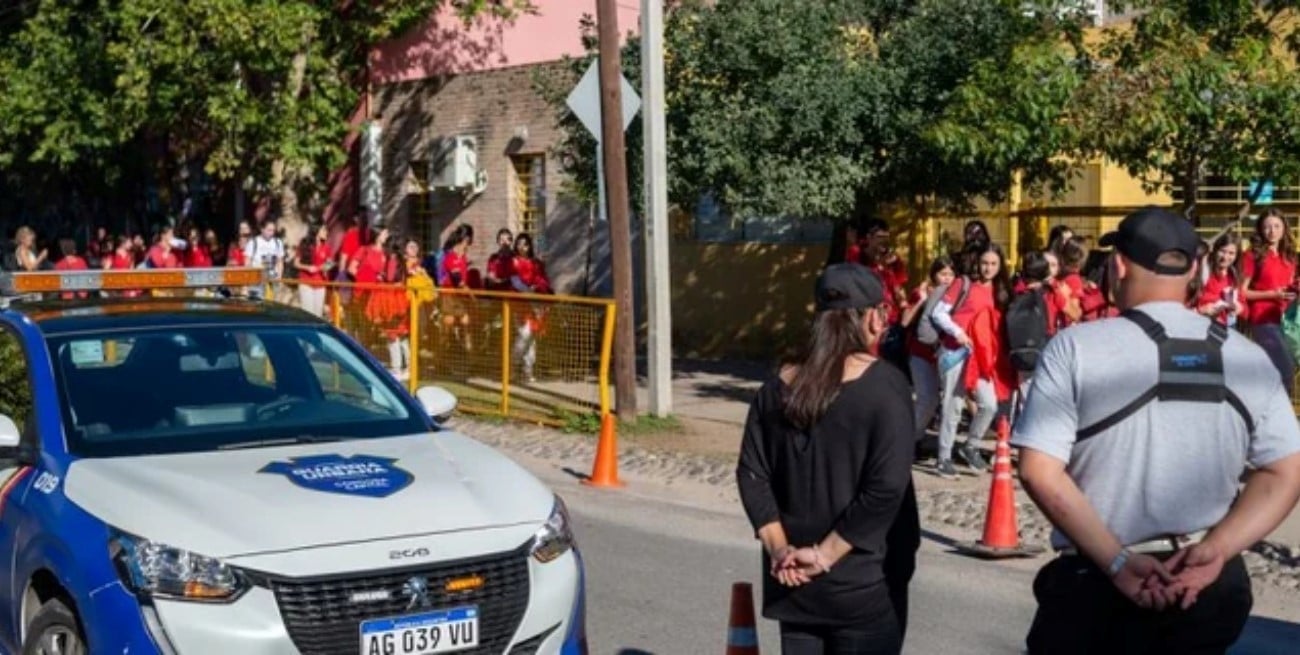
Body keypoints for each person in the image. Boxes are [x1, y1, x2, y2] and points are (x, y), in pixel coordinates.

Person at [1012, 207, 1300, 654]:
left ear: (1120, 265)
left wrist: (1117, 561)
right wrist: (1219, 548)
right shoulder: (1247, 357)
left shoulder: (1077, 346)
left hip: (1099, 582)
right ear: (1194, 269)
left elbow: (1038, 469)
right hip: (1205, 583)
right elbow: (1287, 470)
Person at [737, 263, 918, 655]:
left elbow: (753, 475)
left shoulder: (776, 388)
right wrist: (823, 555)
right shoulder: (887, 387)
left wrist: (780, 549)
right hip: (863, 586)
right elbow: (886, 487)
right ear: (872, 317)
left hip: (793, 585)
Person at [1240, 208, 1297, 394]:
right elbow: (1243, 291)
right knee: (1285, 369)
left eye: (1276, 226)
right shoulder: (1252, 255)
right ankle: (1280, 415)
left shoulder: (1289, 256)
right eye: (1267, 227)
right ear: (1260, 230)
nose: (1272, 231)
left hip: (1288, 321)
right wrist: (1272, 294)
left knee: (1282, 370)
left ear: (1284, 228)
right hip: (1263, 320)